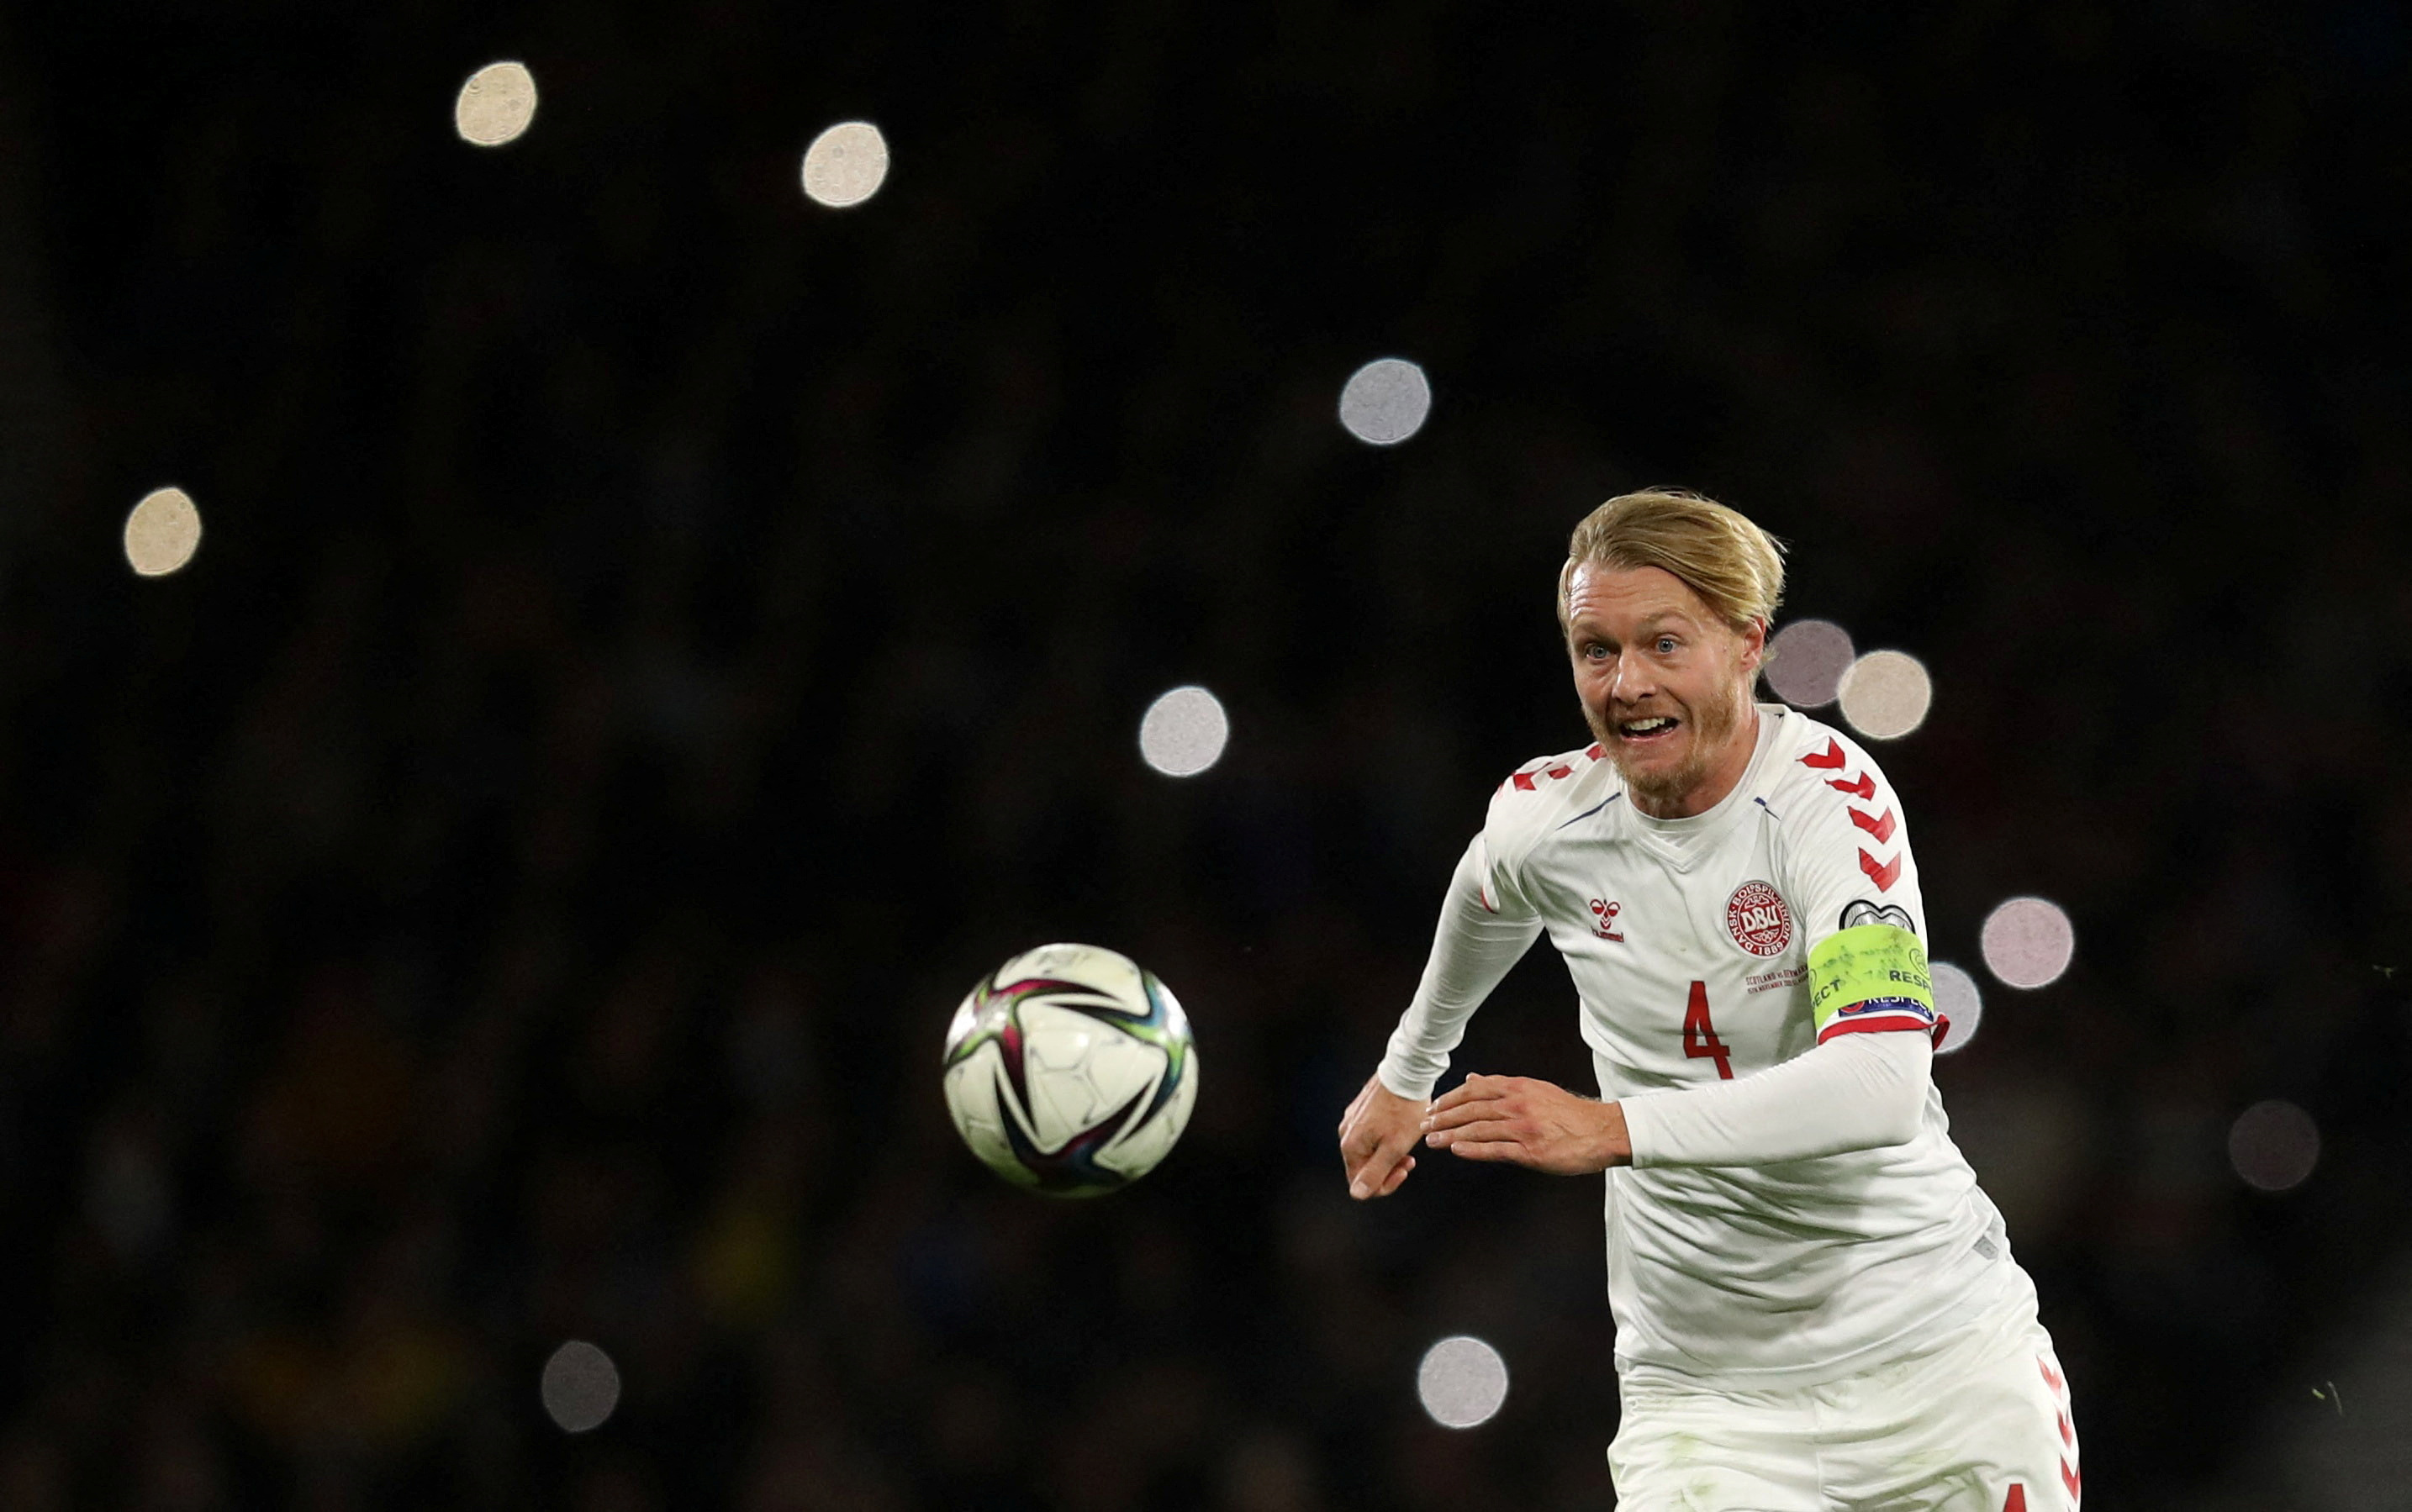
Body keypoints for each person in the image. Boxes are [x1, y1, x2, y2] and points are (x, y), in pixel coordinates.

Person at [1336, 489, 2079, 1511]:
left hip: (1933, 1363)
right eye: (1596, 649)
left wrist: (1611, 1126)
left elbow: (1880, 1080)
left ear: (1746, 645)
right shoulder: (1547, 815)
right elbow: (1486, 893)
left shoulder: (1831, 803)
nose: (1626, 682)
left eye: (1663, 643)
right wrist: (1404, 1072)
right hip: (1707, 1400)